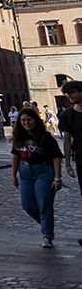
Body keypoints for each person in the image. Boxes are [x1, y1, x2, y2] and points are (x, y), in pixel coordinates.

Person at [10, 109, 64, 248]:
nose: (26, 123)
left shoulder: (45, 137)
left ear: (35, 120)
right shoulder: (18, 136)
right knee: (27, 205)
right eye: (23, 120)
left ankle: (47, 235)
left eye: (29, 120)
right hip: (26, 173)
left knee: (44, 203)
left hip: (44, 171)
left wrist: (57, 178)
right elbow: (15, 156)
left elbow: (56, 157)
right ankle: (46, 223)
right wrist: (13, 174)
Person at [59, 81, 82, 246]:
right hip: (81, 160)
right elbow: (67, 140)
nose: (70, 97)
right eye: (68, 95)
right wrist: (67, 163)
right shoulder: (67, 116)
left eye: (73, 93)